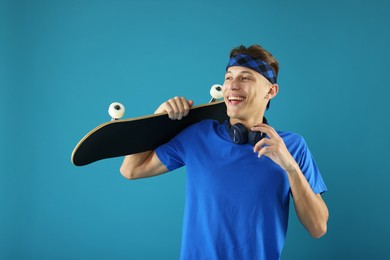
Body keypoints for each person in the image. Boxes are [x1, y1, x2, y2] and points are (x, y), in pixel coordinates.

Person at [120, 44, 329, 260]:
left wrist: (291, 168)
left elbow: (318, 228)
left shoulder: (292, 146)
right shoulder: (198, 136)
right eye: (229, 78)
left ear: (271, 91)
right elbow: (131, 170)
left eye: (245, 78)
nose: (232, 86)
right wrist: (158, 119)